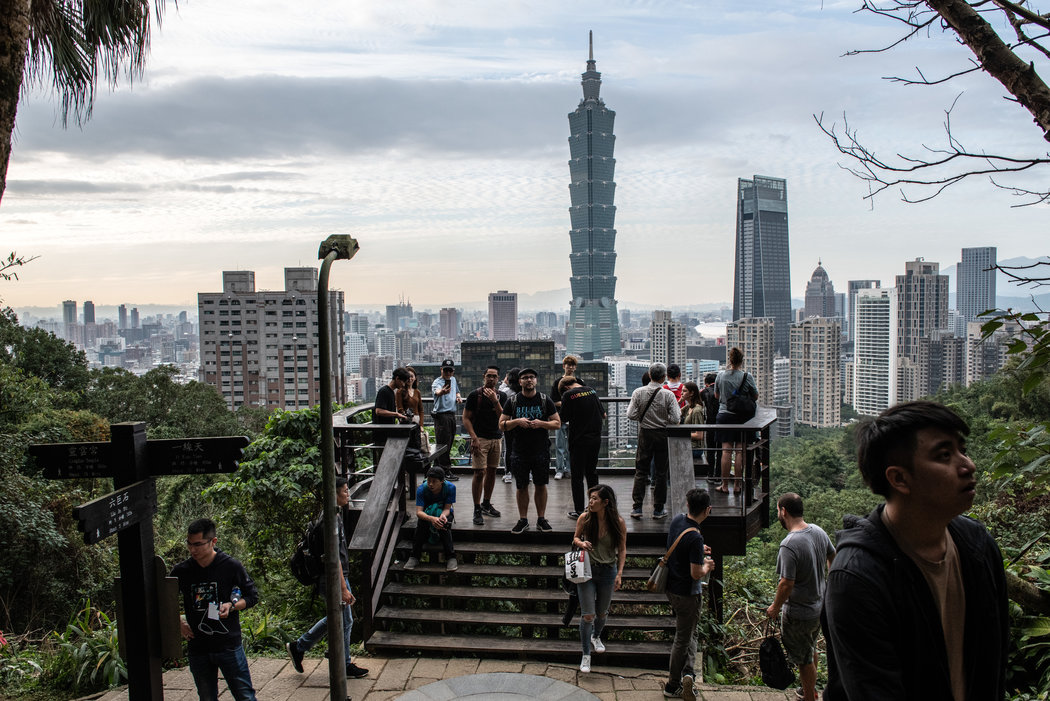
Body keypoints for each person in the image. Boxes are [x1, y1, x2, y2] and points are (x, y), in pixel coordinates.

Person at [822, 401, 1008, 701]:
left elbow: (994, 668)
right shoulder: (858, 577)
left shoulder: (978, 545)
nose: (968, 465)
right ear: (899, 478)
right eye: (944, 455)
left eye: (962, 450)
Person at [286, 477, 369, 679]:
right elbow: (333, 558)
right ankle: (343, 662)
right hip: (332, 578)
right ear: (334, 493)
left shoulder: (333, 515)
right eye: (345, 491)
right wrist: (343, 588)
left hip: (333, 577)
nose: (348, 494)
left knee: (338, 617)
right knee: (345, 620)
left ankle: (301, 647)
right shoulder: (330, 521)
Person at [171, 518, 260, 701]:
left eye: (198, 544)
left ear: (213, 541)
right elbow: (165, 600)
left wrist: (232, 606)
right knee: (206, 697)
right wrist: (179, 623)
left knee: (245, 696)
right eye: (189, 544)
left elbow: (252, 596)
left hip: (228, 645)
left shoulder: (231, 566)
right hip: (198, 646)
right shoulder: (182, 571)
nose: (192, 549)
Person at [765, 493, 835, 701]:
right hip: (818, 607)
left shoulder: (789, 544)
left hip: (799, 613)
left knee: (804, 660)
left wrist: (775, 607)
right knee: (809, 649)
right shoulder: (818, 531)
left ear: (783, 511)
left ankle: (809, 697)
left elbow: (786, 583)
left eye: (778, 510)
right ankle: (808, 690)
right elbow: (833, 556)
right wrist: (829, 585)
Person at [663, 488, 716, 701]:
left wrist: (699, 548)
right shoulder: (695, 536)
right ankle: (673, 684)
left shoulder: (678, 520)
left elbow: (677, 545)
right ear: (707, 510)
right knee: (683, 638)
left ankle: (689, 673)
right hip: (687, 593)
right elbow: (696, 573)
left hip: (671, 587)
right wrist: (707, 566)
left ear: (687, 505)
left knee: (691, 632)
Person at [571, 484, 627, 674]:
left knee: (602, 613)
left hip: (608, 571)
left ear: (605, 502)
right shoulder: (585, 518)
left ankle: (596, 636)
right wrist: (581, 543)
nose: (591, 502)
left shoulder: (617, 522)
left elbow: (622, 549)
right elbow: (575, 538)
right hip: (587, 570)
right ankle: (586, 654)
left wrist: (620, 573)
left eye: (595, 498)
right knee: (588, 614)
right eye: (590, 498)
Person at [500, 367, 560, 534]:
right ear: (520, 381)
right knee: (521, 486)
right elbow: (502, 424)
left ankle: (541, 519)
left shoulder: (544, 400)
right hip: (519, 450)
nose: (529, 380)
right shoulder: (512, 401)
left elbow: (557, 423)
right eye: (525, 377)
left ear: (536, 380)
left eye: (532, 377)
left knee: (541, 485)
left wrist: (541, 424)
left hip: (541, 449)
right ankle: (523, 519)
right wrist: (517, 421)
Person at [627, 362, 681, 520]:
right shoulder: (668, 395)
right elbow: (676, 418)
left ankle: (637, 507)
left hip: (645, 433)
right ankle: (658, 509)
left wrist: (644, 418)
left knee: (641, 471)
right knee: (661, 473)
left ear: (649, 375)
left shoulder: (638, 392)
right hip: (662, 434)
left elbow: (631, 415)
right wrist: (664, 419)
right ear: (664, 377)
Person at [558, 375, 606, 519]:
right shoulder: (591, 390)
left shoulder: (568, 395)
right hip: (595, 438)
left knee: (577, 476)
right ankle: (595, 507)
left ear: (566, 387)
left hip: (579, 440)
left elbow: (563, 418)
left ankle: (579, 510)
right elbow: (603, 414)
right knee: (592, 473)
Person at [463, 365, 504, 525]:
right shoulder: (475, 395)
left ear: (498, 379)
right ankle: (477, 508)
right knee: (479, 473)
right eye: (489, 376)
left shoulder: (501, 396)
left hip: (496, 438)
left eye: (494, 376)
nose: (491, 379)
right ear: (484, 377)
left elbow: (503, 417)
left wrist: (495, 400)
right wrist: (473, 437)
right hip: (480, 438)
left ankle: (486, 503)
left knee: (492, 471)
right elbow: (466, 418)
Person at [713, 347, 757, 495]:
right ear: (741, 361)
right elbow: (755, 396)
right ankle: (737, 485)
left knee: (726, 450)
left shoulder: (721, 375)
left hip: (724, 415)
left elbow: (716, 396)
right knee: (740, 451)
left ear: (730, 360)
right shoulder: (747, 376)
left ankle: (724, 485)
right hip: (742, 417)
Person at [405, 466, 458, 571]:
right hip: (427, 513)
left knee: (443, 524)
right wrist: (432, 519)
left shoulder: (450, 488)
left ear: (442, 481)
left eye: (434, 481)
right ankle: (414, 556)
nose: (430, 484)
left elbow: (447, 508)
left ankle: (451, 557)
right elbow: (419, 512)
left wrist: (442, 516)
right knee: (421, 525)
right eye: (429, 480)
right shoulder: (422, 489)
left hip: (442, 512)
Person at [431, 359, 463, 480]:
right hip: (441, 415)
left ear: (453, 371)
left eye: (450, 371)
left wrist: (458, 397)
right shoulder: (437, 382)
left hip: (451, 414)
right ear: (441, 370)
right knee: (443, 443)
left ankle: (437, 469)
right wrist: (442, 392)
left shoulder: (453, 380)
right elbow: (437, 391)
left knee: (449, 442)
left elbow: (457, 391)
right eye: (446, 370)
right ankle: (445, 470)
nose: (448, 373)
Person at [552, 355, 579, 480]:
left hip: (574, 419)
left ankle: (569, 469)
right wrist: (569, 403)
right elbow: (554, 401)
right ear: (564, 366)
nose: (571, 367)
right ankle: (559, 469)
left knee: (572, 445)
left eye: (573, 365)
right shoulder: (557, 382)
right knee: (559, 445)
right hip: (560, 418)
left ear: (575, 367)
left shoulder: (579, 382)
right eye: (568, 365)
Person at [499, 368, 521, 484]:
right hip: (523, 423)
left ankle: (508, 473)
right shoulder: (523, 391)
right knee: (524, 448)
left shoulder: (506, 392)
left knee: (509, 449)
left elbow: (499, 392)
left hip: (509, 424)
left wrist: (504, 382)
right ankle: (527, 472)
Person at [698, 373, 721, 475]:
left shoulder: (704, 391)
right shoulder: (721, 390)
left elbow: (698, 403)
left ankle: (710, 474)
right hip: (722, 423)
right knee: (721, 450)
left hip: (710, 423)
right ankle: (719, 475)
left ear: (706, 383)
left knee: (710, 450)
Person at [680, 381, 706, 465]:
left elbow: (699, 435)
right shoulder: (689, 406)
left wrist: (681, 434)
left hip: (695, 448)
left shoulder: (696, 410)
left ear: (691, 393)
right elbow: (675, 413)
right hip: (688, 445)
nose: (681, 393)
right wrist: (680, 401)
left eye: (684, 391)